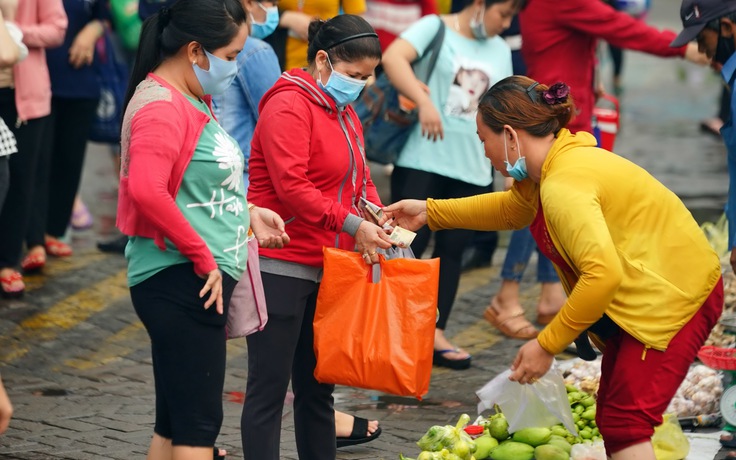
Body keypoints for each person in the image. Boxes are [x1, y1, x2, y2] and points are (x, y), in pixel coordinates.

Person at [384, 75, 723, 460]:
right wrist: (429, 212)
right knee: (615, 416)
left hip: (675, 299)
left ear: (510, 135)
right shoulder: (550, 165)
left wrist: (546, 345)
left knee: (626, 422)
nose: (485, 154)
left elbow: (602, 275)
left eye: (484, 141)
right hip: (653, 292)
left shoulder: (563, 185)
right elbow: (515, 209)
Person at [118, 1, 288, 459]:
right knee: (198, 424)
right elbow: (147, 189)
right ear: (196, 51)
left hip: (190, 278)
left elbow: (197, 181)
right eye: (231, 56)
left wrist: (248, 210)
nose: (235, 67)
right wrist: (201, 254)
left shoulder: (191, 95)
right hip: (181, 279)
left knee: (173, 423)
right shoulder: (161, 106)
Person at [243, 14, 391, 459]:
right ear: (323, 60)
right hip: (280, 264)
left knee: (318, 390)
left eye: (367, 78)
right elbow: (294, 188)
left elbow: (360, 179)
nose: (361, 86)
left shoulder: (345, 112)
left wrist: (379, 215)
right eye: (354, 75)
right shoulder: (287, 105)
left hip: (330, 266)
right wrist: (353, 225)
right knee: (268, 391)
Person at [381, 0, 519, 370]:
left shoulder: (500, 49)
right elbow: (394, 57)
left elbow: (503, 110)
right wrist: (424, 102)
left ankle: (435, 332)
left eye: (510, 17)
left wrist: (509, 176)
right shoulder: (434, 26)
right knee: (406, 245)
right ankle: (392, 331)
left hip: (473, 166)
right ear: (479, 4)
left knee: (452, 252)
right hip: (422, 157)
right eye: (502, 14)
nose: (505, 24)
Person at [519, 0, 707, 134]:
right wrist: (682, 48)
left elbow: (571, 43)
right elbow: (621, 28)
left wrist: (595, 79)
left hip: (558, 108)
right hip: (561, 116)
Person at [21, 0, 109, 274]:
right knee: (37, 163)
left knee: (70, 162)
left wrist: (91, 31)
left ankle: (53, 231)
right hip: (38, 81)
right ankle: (33, 238)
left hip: (81, 79)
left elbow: (104, 16)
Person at [0, 0, 67, 297]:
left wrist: (14, 27)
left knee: (19, 180)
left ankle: (7, 262)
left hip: (25, 99)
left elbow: (56, 30)